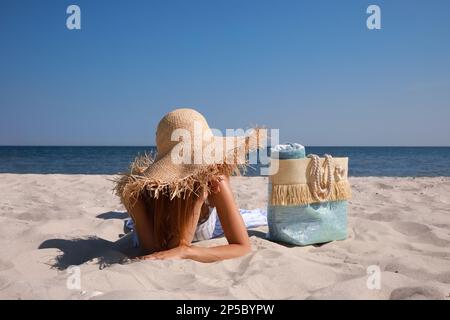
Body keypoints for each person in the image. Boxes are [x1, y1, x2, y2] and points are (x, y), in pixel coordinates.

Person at [114, 108, 264, 263]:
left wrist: (187, 250)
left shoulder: (216, 181)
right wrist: (195, 203)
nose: (204, 165)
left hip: (213, 223)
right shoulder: (136, 192)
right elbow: (154, 251)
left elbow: (242, 246)